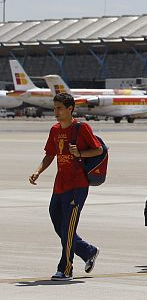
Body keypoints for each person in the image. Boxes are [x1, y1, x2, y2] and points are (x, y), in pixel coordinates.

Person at [29, 92, 102, 280]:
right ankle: (87, 251)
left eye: (59, 108)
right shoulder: (54, 130)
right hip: (59, 185)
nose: (56, 111)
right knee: (59, 225)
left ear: (70, 109)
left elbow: (98, 149)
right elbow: (50, 154)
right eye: (54, 108)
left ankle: (66, 268)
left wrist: (79, 153)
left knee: (69, 227)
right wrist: (38, 171)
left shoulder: (81, 128)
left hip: (77, 185)